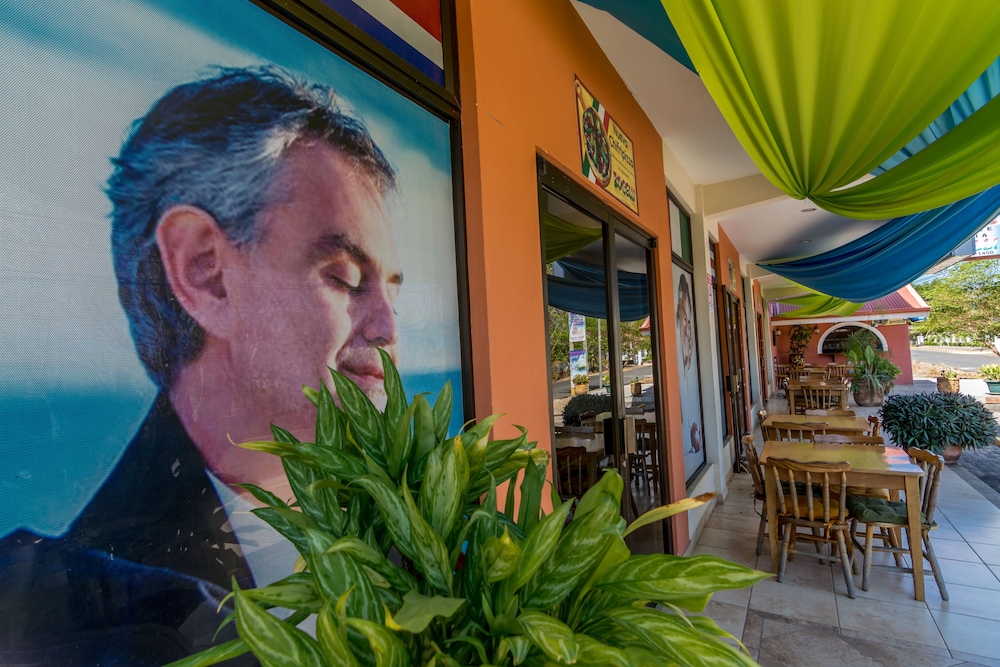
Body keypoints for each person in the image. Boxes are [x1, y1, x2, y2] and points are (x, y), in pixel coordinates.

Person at [0, 66, 403, 665]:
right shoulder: (63, 624)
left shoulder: (411, 532)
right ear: (204, 273)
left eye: (393, 290)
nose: (389, 328)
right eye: (344, 277)